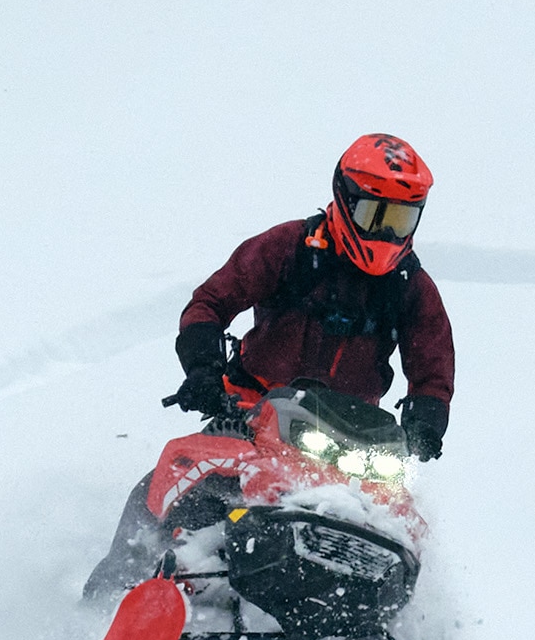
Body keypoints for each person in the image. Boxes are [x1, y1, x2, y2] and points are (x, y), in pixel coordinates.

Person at [169, 132, 454, 458]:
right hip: (251, 411)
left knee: (391, 506)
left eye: (399, 220)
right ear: (347, 199)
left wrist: (425, 423)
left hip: (351, 435)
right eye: (374, 216)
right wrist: (203, 369)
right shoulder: (289, 248)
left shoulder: (411, 286)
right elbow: (211, 301)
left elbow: (433, 369)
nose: (385, 232)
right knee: (188, 475)